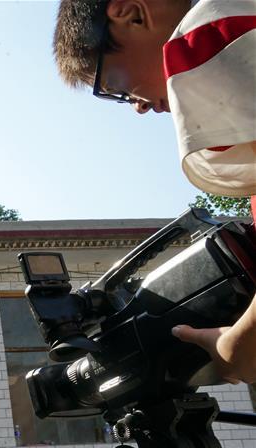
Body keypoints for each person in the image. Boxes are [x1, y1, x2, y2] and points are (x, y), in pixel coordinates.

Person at [52, 0, 256, 383]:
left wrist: (239, 347)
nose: (137, 107)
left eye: (114, 87)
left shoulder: (208, 37)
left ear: (131, 13)